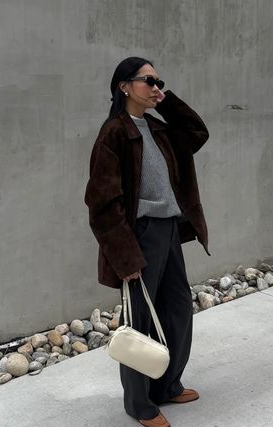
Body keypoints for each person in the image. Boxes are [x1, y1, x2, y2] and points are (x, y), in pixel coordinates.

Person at [84, 57, 210, 427]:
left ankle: (167, 385)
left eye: (160, 80)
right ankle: (139, 404)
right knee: (140, 321)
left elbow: (197, 133)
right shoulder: (114, 134)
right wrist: (125, 256)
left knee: (177, 310)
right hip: (140, 236)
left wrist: (164, 100)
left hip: (169, 230)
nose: (156, 87)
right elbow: (102, 204)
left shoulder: (157, 129)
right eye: (148, 80)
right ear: (124, 85)